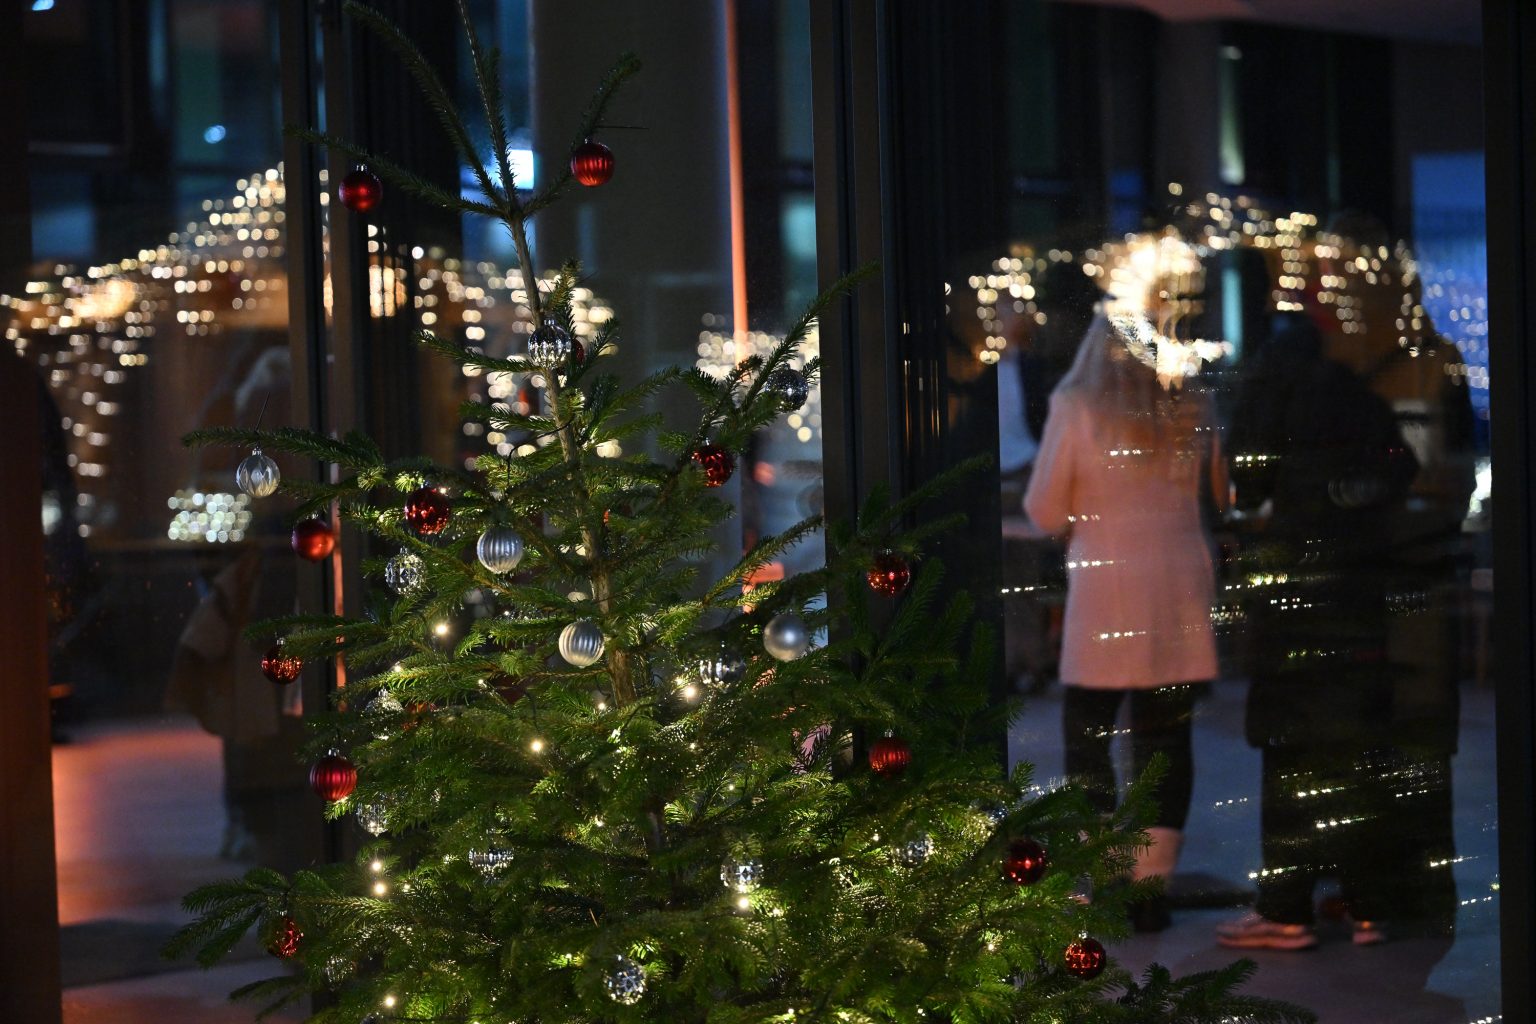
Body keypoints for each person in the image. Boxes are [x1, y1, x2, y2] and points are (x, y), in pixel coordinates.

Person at [1217, 312, 1421, 950]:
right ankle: (1365, 904)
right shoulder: (1358, 400)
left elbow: (1245, 484)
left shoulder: (1270, 398)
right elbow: (1402, 468)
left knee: (1289, 750)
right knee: (1358, 750)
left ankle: (1285, 909)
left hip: (1295, 601)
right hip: (1360, 598)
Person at [1024, 308, 1225, 932]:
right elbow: (1220, 492)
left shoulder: (1077, 404)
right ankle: (1151, 887)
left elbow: (1045, 509)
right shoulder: (1191, 404)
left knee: (1088, 737)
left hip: (1107, 593)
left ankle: (1107, 876)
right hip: (1179, 591)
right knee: (1167, 742)